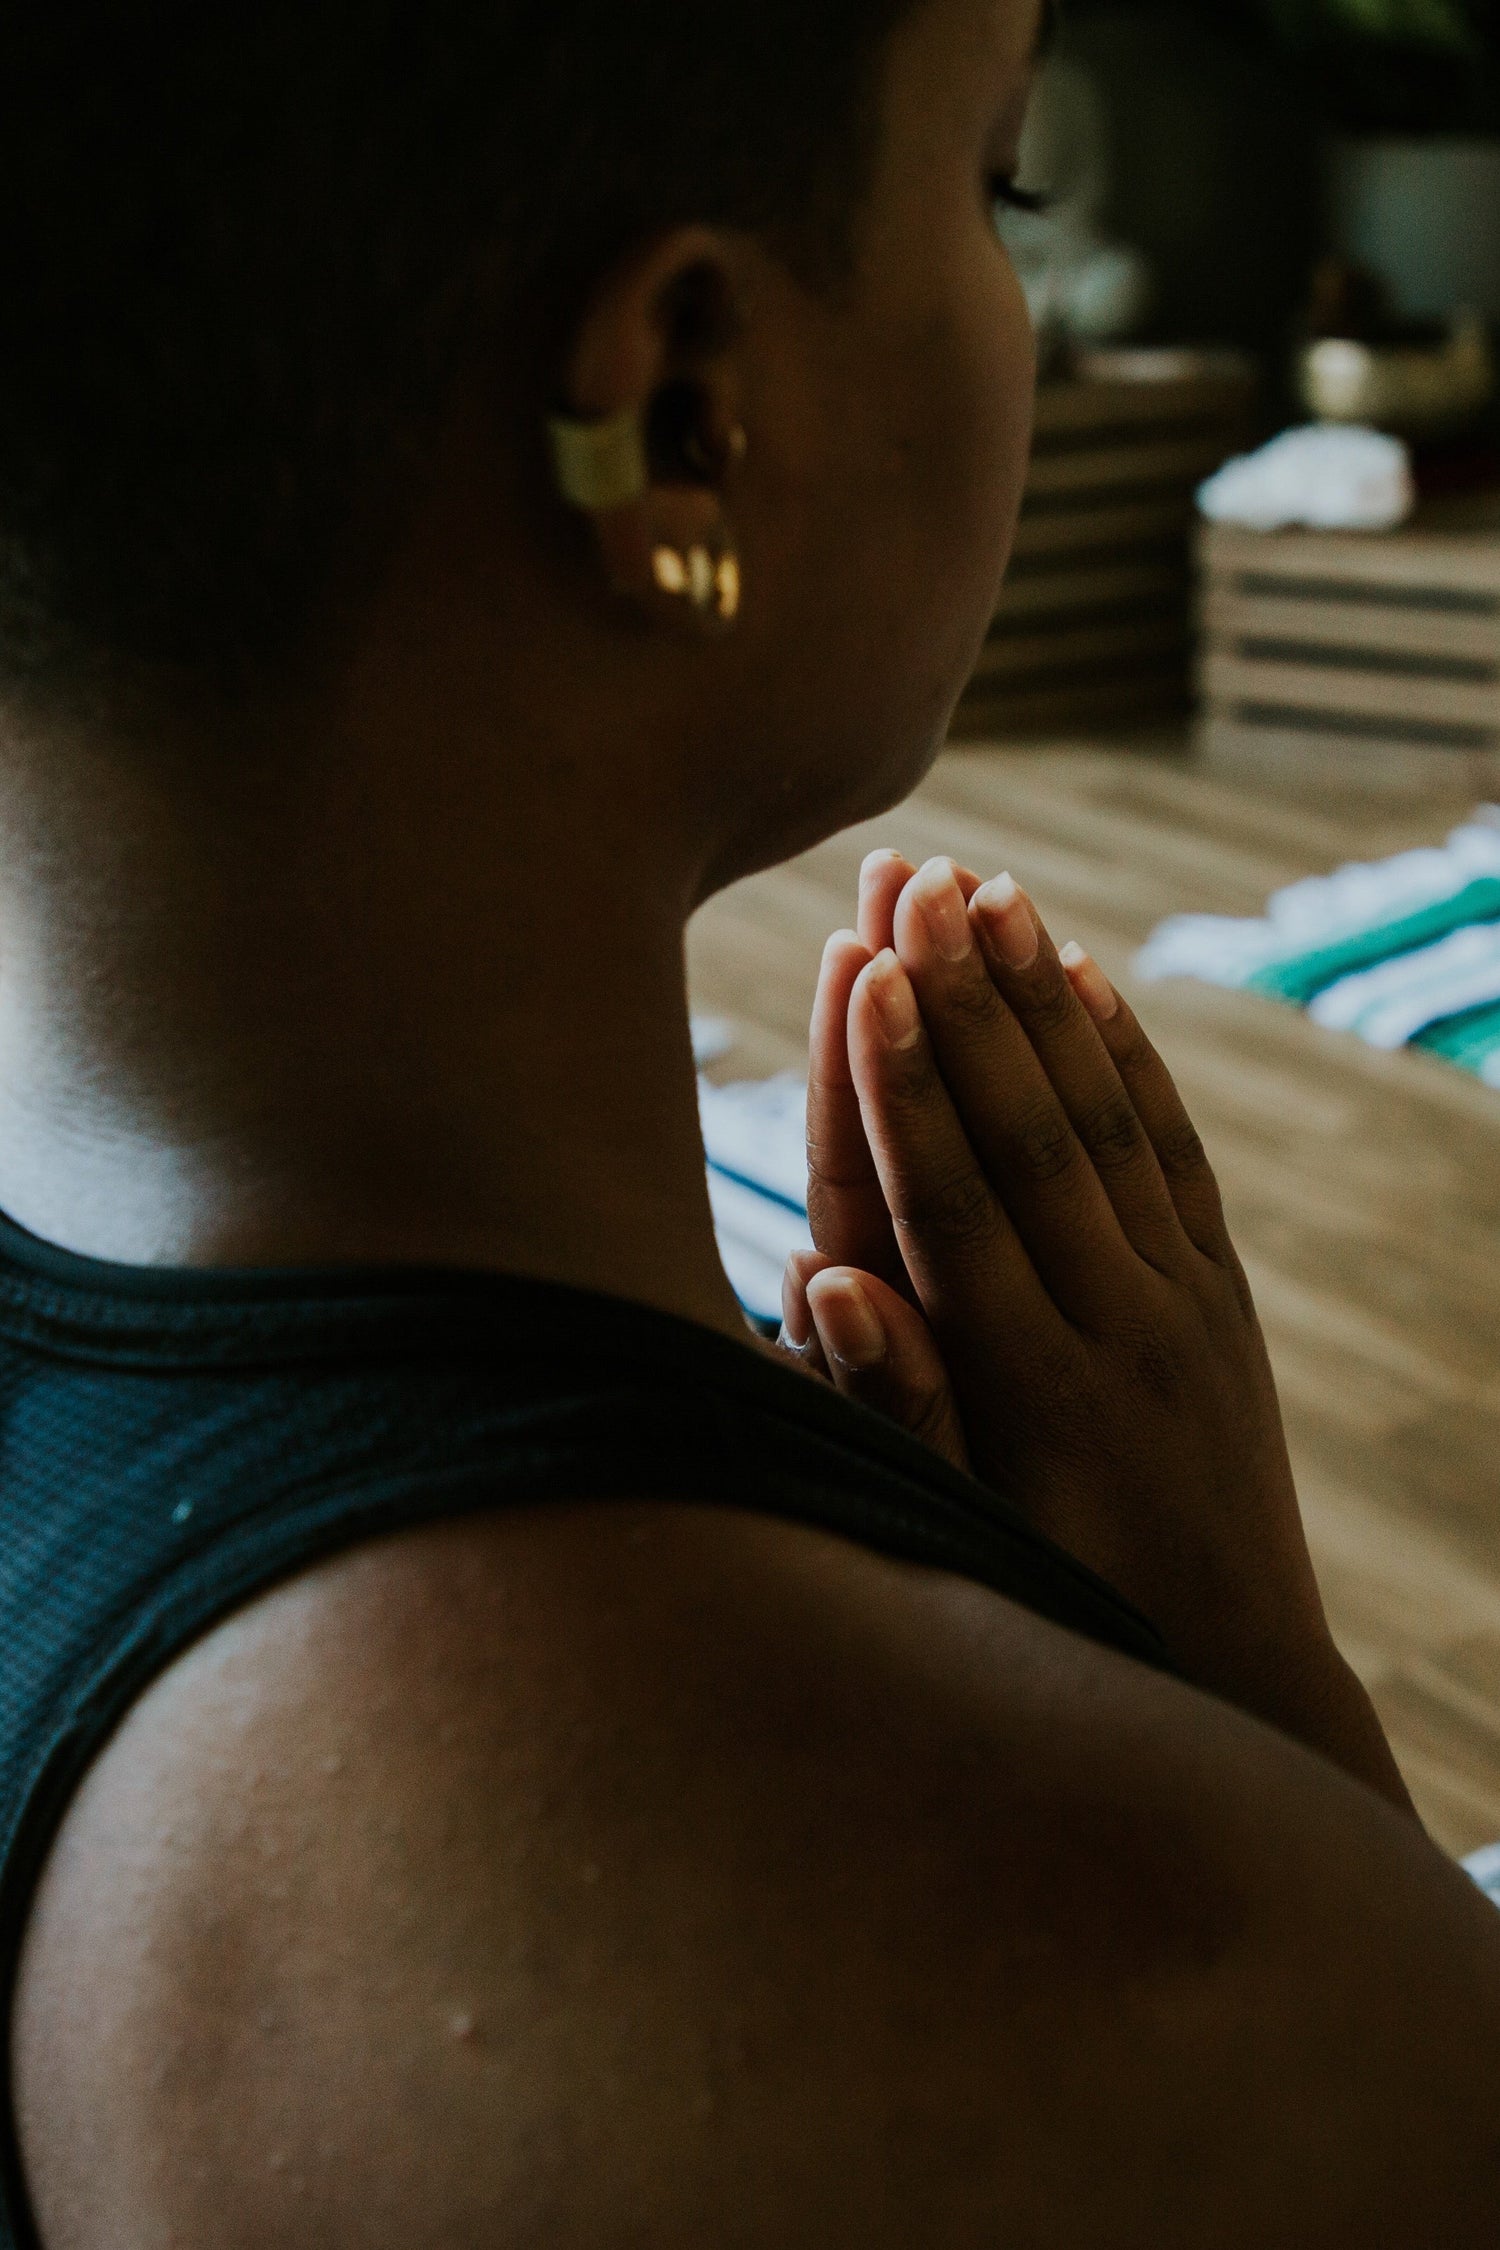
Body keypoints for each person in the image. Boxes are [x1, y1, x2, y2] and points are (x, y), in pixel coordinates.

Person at [2, 0, 1498, 2242]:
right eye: (1001, 181)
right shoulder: (1052, 1957)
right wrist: (1238, 1675)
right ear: (681, 420)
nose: (1015, 267)